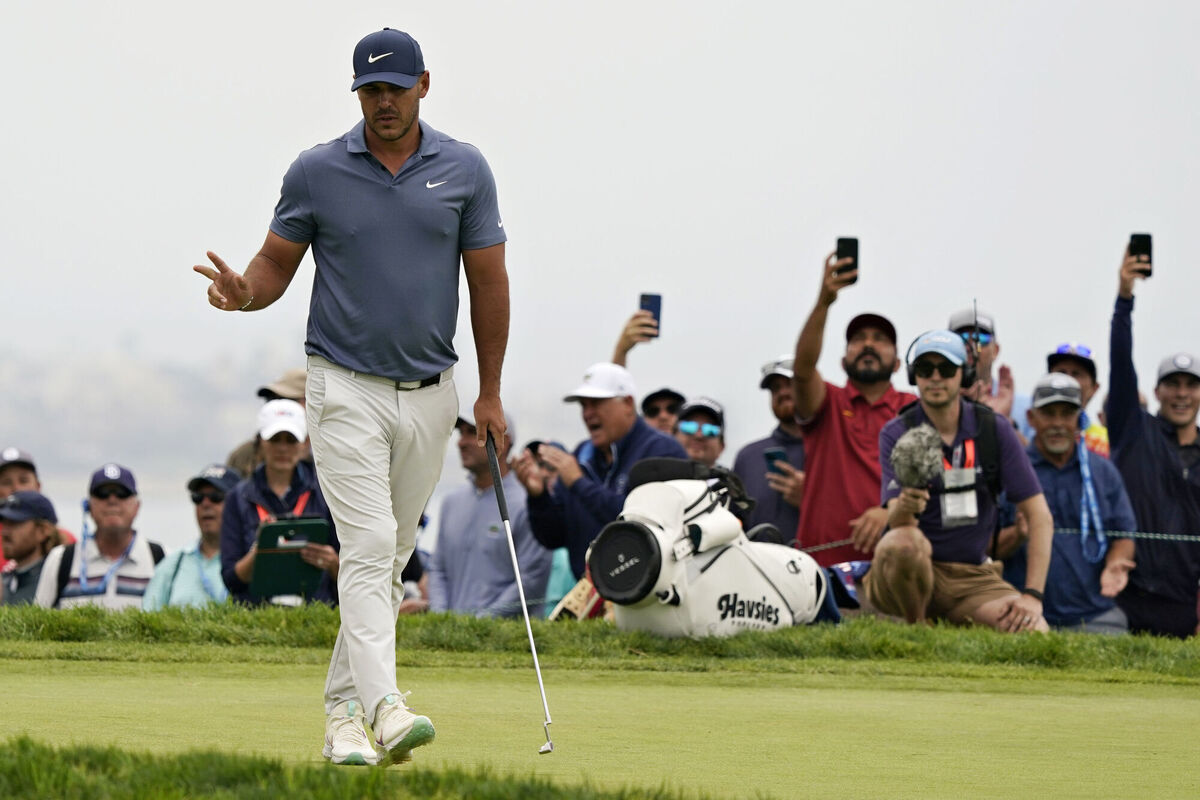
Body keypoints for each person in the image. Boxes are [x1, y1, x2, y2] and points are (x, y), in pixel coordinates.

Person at [194, 28, 509, 765]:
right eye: (371, 90)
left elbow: (489, 283)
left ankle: (340, 720)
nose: (384, 102)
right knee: (367, 546)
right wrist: (245, 295)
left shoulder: (465, 170)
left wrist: (489, 394)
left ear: (424, 84)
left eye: (396, 87)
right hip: (342, 388)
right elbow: (273, 264)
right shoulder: (317, 171)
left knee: (387, 559)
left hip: (433, 393)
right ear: (358, 95)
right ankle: (387, 709)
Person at [868, 331, 1054, 631]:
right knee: (903, 542)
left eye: (947, 369)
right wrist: (906, 505)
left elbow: (1040, 516)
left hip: (973, 576)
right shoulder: (896, 431)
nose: (936, 377)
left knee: (1036, 630)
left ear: (964, 375)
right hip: (914, 570)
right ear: (915, 376)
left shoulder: (995, 429)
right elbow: (896, 520)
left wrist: (1032, 596)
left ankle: (945, 620)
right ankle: (918, 629)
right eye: (925, 370)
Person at [791, 252, 915, 566]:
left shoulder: (914, 409)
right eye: (858, 339)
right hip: (823, 569)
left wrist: (889, 510)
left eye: (880, 339)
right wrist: (824, 302)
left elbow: (930, 483)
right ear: (843, 360)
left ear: (898, 362)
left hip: (894, 570)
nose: (868, 345)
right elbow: (803, 370)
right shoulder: (828, 402)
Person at [515, 362, 686, 580]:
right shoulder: (581, 455)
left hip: (646, 596)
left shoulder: (661, 451)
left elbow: (644, 528)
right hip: (589, 597)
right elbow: (554, 538)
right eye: (583, 405)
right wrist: (539, 498)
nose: (587, 413)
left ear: (627, 404)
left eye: (596, 403)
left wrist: (579, 484)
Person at [1108, 249, 1200, 637]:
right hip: (1127, 596)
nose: (1181, 394)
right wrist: (1124, 299)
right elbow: (1120, 363)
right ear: (1157, 391)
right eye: (1172, 385)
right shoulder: (1134, 429)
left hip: (1184, 603)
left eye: (1191, 385)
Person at [1001, 374, 1136, 633]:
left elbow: (1124, 534)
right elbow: (988, 546)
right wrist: (1017, 535)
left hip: (1095, 613)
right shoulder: (1011, 470)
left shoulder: (1103, 472)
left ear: (1080, 418)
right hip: (1022, 610)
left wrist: (1116, 562)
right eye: (1049, 413)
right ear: (1031, 418)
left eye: (1067, 413)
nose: (1058, 423)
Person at [427, 415, 551, 618]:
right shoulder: (451, 503)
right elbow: (438, 568)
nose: (461, 442)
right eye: (461, 433)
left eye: (473, 432)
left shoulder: (528, 503)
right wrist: (441, 619)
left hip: (506, 643)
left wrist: (480, 623)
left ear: (504, 441)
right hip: (451, 639)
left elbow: (531, 579)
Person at [221, 400, 340, 606]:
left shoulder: (327, 493)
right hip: (256, 612)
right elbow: (231, 580)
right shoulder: (237, 498)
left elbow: (351, 572)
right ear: (259, 443)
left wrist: (332, 563)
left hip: (316, 610)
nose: (283, 448)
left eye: (291, 440)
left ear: (305, 443)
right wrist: (260, 552)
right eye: (275, 439)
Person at [34, 464, 165, 610]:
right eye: (102, 493)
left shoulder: (162, 559)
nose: (112, 500)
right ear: (88, 506)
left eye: (122, 493)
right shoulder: (61, 559)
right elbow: (38, 623)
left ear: (137, 506)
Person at [142, 464, 241, 611]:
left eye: (216, 497)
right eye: (198, 498)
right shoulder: (172, 565)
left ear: (239, 504)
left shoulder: (251, 563)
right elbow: (147, 623)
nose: (205, 504)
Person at [732, 357, 805, 539]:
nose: (783, 393)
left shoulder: (834, 448)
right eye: (775, 388)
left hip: (820, 564)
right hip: (756, 564)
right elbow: (733, 522)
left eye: (790, 384)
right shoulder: (747, 456)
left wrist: (810, 500)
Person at [947, 308, 1032, 438]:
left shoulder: (1024, 406)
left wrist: (1002, 422)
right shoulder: (931, 400)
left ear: (996, 350)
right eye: (961, 339)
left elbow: (1033, 457)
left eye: (980, 338)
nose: (971, 347)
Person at [0, 448, 76, 570]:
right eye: (6, 482)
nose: (16, 488)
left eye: (23, 480)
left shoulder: (66, 540)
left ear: (38, 485)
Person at [227, 368, 310, 478]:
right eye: (270, 400)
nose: (276, 405)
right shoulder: (245, 456)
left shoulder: (332, 452)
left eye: (285, 399)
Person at [1047, 343, 1108, 456]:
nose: (1068, 379)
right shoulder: (1030, 433)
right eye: (1061, 372)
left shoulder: (1106, 444)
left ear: (1095, 388)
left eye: (1076, 374)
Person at [0, 491, 61, 606]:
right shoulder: (5, 580)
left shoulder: (58, 580)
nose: (4, 532)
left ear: (43, 530)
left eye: (14, 523)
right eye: (4, 523)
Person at [673, 397, 726, 468]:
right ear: (672, 437)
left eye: (710, 430)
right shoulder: (654, 476)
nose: (698, 435)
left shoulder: (732, 479)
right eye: (689, 427)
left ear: (721, 446)